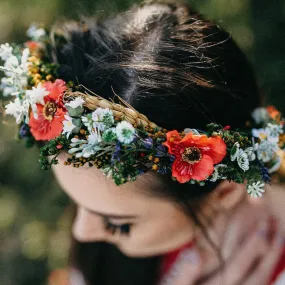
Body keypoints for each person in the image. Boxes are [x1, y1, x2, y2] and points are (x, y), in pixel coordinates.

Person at [1, 1, 285, 285]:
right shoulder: (110, 237)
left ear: (224, 193)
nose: (80, 232)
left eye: (118, 225)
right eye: (75, 202)